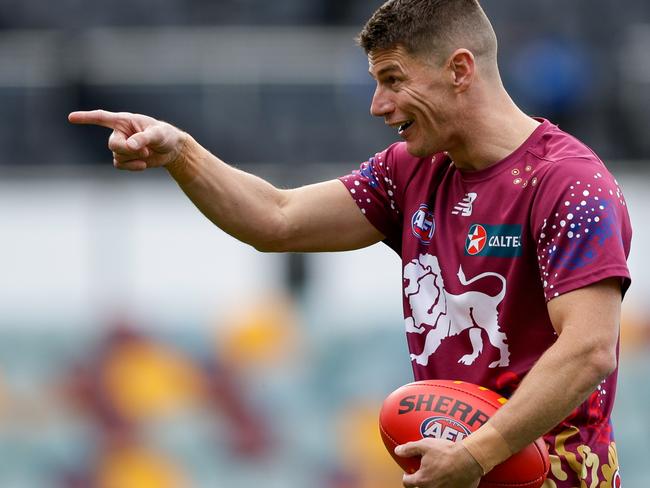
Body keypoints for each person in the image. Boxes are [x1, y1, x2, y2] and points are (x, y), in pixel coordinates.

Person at [69, 0, 632, 486]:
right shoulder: (410, 171)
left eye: (392, 79)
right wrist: (182, 153)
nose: (377, 105)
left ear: (460, 69)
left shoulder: (569, 183)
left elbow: (587, 349)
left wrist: (474, 454)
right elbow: (277, 218)